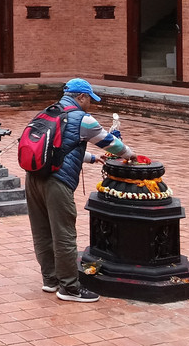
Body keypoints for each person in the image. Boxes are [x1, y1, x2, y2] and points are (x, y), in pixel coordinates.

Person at [25, 78, 138, 303]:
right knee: (64, 235)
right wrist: (130, 155)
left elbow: (59, 147)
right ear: (81, 97)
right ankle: (69, 288)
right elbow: (109, 142)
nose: (91, 105)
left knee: (42, 231)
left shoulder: (49, 111)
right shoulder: (82, 118)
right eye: (90, 100)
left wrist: (91, 158)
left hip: (34, 177)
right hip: (56, 182)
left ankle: (51, 279)